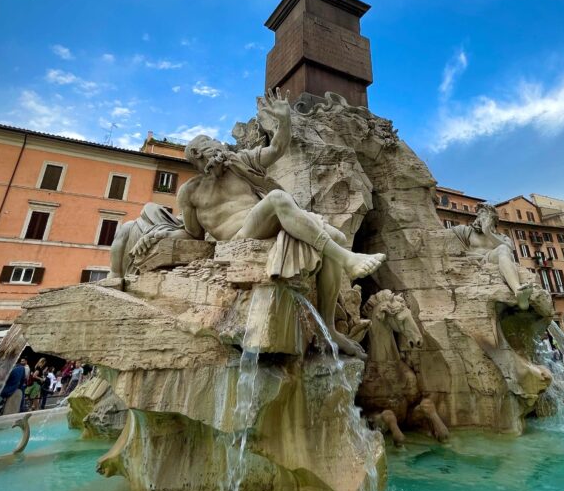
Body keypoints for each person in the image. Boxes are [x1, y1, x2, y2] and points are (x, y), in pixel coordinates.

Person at [121, 89, 386, 359]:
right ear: (198, 155)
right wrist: (157, 236)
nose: (220, 146)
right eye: (212, 144)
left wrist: (284, 121)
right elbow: (192, 233)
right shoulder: (190, 192)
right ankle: (348, 260)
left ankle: (330, 329)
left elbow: (277, 149)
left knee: (337, 238)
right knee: (278, 199)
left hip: (264, 222)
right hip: (239, 238)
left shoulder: (239, 162)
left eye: (217, 143)